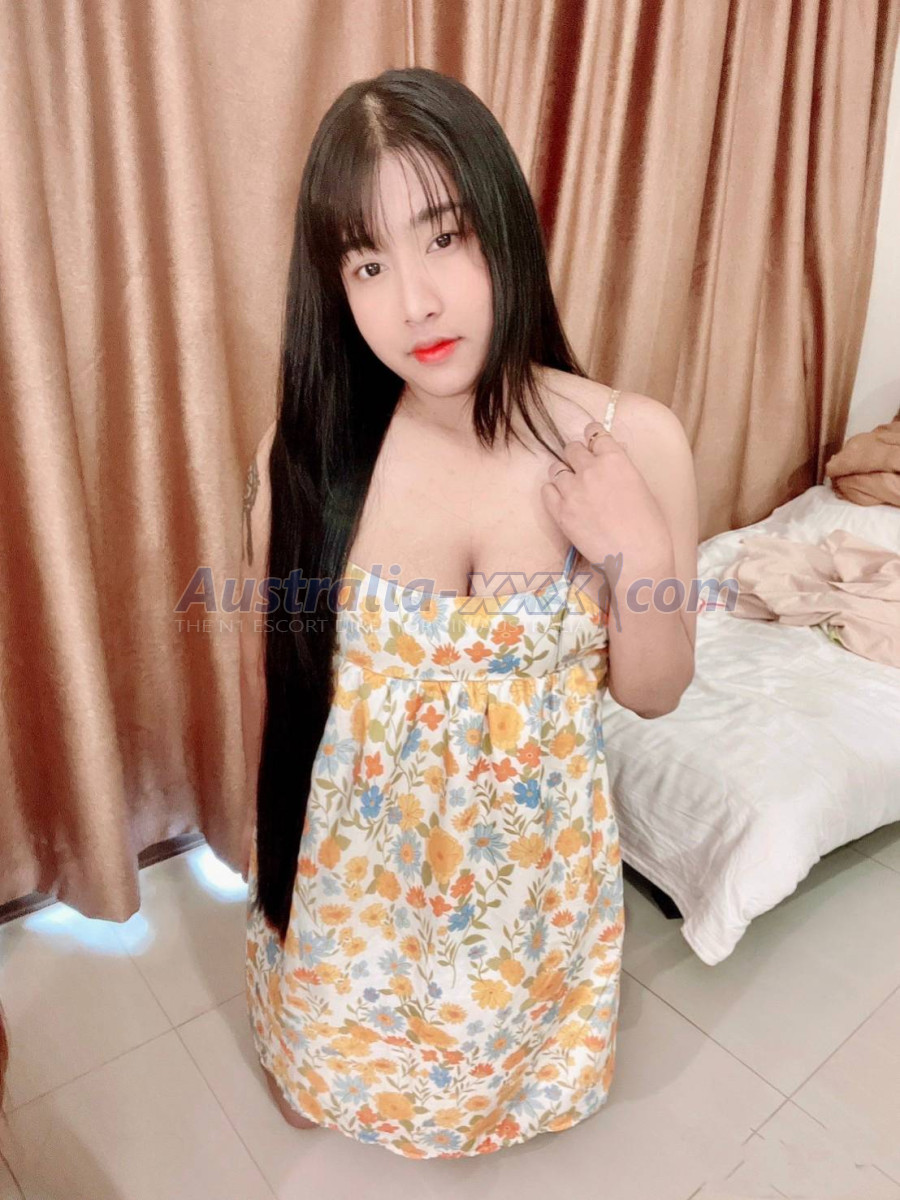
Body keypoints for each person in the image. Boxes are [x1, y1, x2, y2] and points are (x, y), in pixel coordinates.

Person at [239, 66, 698, 1159]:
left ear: (505, 223)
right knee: (319, 1083)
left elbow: (656, 691)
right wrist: (273, 879)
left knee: (497, 1088)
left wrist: (632, 549)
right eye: (368, 262)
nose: (416, 303)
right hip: (358, 884)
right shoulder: (308, 458)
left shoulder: (632, 440)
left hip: (527, 893)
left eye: (444, 237)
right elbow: (284, 694)